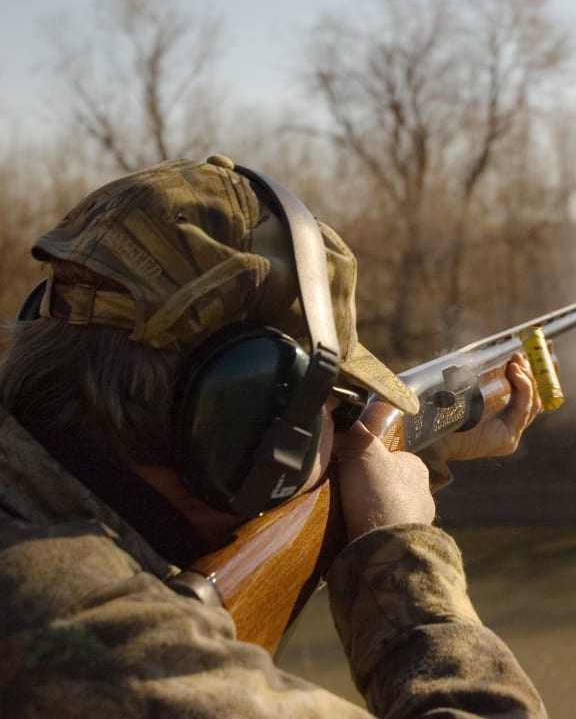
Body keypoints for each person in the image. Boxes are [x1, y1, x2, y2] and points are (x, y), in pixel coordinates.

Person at [0, 155, 548, 717]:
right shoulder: (109, 657)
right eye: (330, 409)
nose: (337, 431)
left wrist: (424, 442)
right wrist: (402, 552)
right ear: (248, 432)